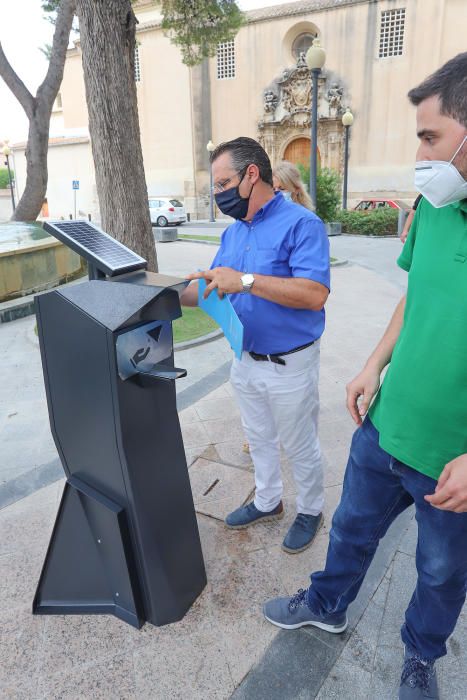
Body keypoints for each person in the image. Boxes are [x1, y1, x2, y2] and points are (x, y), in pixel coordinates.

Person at [263, 52, 467, 699]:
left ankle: (419, 657)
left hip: (450, 463)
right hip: (384, 426)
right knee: (350, 528)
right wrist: (373, 362)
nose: (420, 156)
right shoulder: (435, 206)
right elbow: (417, 296)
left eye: (430, 138)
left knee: (438, 573)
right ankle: (325, 607)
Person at [181, 137, 330, 554]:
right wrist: (166, 292)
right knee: (259, 437)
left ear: (251, 175)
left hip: (290, 364)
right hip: (244, 359)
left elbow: (314, 293)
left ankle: (311, 509)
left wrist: (245, 281)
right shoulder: (234, 234)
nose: (217, 194)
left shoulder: (302, 225)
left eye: (223, 182)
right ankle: (268, 500)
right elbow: (211, 287)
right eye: (214, 185)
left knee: (300, 443)